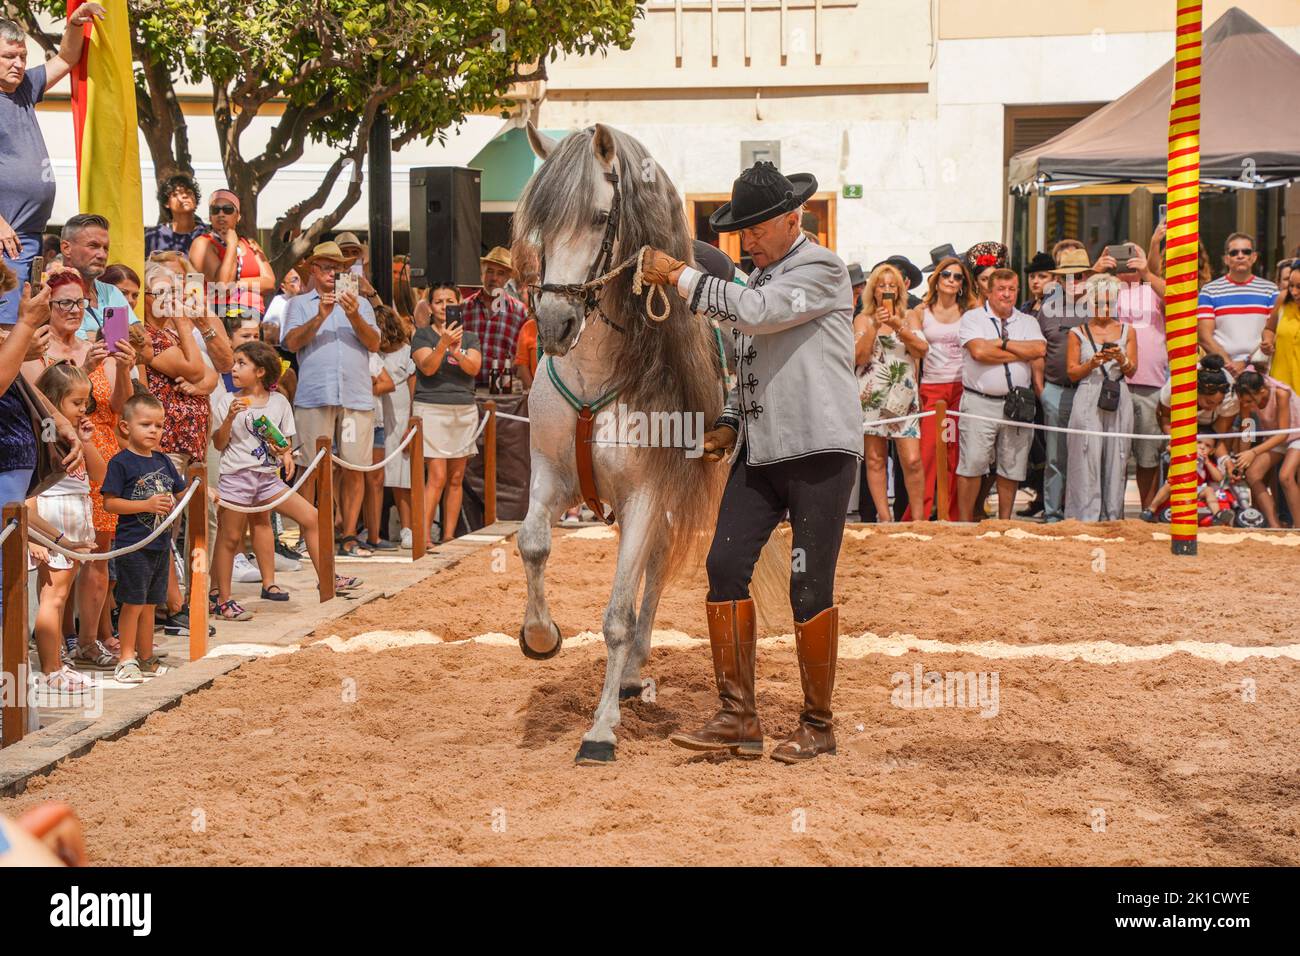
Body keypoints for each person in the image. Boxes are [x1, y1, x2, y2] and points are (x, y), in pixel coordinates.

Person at [640, 160, 861, 764]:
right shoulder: (758, 282)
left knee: (808, 586)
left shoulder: (821, 267)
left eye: (757, 228)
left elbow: (759, 316)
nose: (748, 240)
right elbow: (746, 369)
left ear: (795, 218)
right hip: (762, 449)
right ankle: (739, 715)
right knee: (725, 564)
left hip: (819, 447)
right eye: (742, 231)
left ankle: (818, 723)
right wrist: (730, 424)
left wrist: (682, 277)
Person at [22, 271, 134, 664]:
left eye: (79, 303)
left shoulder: (93, 344)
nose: (72, 310)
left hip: (97, 452)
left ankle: (90, 639)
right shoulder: (34, 352)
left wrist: (121, 367)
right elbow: (45, 418)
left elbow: (119, 406)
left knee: (97, 556)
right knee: (58, 564)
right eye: (63, 303)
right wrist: (85, 370)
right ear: (46, 307)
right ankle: (61, 644)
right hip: (59, 465)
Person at [0, 7, 103, 326]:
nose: (18, 64)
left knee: (20, 323)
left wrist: (73, 23)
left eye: (22, 56)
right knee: (5, 325)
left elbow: (67, 58)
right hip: (6, 234)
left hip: (27, 233)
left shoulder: (25, 88)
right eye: (8, 56)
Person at [281, 241, 380, 558]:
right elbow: (291, 343)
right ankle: (303, 535)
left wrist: (353, 316)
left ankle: (349, 535)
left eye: (339, 268)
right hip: (315, 395)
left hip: (354, 397)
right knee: (308, 468)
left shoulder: (361, 305)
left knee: (354, 466)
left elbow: (375, 343)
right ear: (313, 269)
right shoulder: (299, 304)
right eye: (326, 267)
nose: (333, 273)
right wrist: (321, 316)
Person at [28, 362, 104, 691]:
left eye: (85, 402)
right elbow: (29, 491)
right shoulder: (43, 436)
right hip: (53, 518)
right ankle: (51, 668)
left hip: (76, 514)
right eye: (76, 402)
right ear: (55, 401)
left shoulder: (72, 436)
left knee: (60, 596)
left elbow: (101, 476)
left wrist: (85, 440)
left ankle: (57, 661)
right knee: (53, 596)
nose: (84, 408)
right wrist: (36, 537)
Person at [101, 393, 185, 684]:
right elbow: (110, 503)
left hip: (161, 544)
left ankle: (146, 658)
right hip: (133, 544)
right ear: (125, 427)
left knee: (151, 603)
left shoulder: (162, 460)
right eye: (146, 424)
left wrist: (205, 492)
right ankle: (126, 658)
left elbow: (181, 492)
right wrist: (145, 506)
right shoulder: (121, 462)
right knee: (133, 603)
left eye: (159, 425)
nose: (154, 430)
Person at [956, 269, 1046, 521]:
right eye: (1001, 289)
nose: (1007, 294)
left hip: (1018, 403)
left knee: (1012, 466)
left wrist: (1001, 344)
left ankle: (1004, 522)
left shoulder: (1028, 321)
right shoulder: (973, 318)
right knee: (973, 463)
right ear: (989, 291)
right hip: (979, 401)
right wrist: (1021, 351)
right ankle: (964, 524)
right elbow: (979, 352)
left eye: (1012, 289)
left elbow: (1038, 349)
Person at [1093, 235, 1168, 512]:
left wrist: (1147, 271)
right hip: (1114, 380)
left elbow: (1179, 299)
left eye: (1132, 255)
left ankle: (1148, 512)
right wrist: (1096, 268)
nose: (1127, 261)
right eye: (1121, 256)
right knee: (1114, 454)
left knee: (1148, 455)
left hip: (1151, 382)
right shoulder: (1106, 288)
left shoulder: (1153, 287)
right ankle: (1113, 512)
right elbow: (1073, 299)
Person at [855, 262, 927, 521]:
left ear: (900, 290)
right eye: (881, 285)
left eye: (892, 286)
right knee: (875, 460)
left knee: (912, 460)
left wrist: (898, 326)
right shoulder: (862, 319)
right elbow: (859, 358)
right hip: (871, 395)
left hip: (903, 397)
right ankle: (885, 519)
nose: (886, 290)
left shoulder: (910, 317)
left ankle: (918, 519)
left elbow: (921, 349)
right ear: (873, 290)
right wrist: (874, 327)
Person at [411, 287, 482, 547]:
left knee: (455, 477)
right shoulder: (422, 335)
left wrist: (455, 351)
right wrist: (442, 344)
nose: (443, 306)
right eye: (438, 302)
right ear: (429, 307)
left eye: (449, 301)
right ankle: (424, 536)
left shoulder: (470, 337)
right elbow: (427, 368)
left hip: (463, 408)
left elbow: (474, 367)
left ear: (458, 304)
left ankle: (449, 535)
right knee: (437, 475)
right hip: (431, 408)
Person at [1064, 273, 1137, 522]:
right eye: (1098, 303)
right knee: (1085, 455)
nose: (1103, 308)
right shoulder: (1077, 332)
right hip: (1088, 391)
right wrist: (1091, 363)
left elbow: (1133, 369)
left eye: (1108, 303)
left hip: (1117, 392)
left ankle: (1113, 517)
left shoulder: (1128, 330)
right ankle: (1083, 517)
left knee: (1118, 455)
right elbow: (1072, 373)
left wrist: (1121, 358)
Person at [913, 256, 976, 521]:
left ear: (963, 284)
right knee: (927, 455)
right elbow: (915, 353)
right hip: (932, 387)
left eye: (958, 276)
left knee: (954, 454)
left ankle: (951, 515)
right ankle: (922, 514)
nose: (951, 280)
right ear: (936, 279)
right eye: (946, 275)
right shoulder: (920, 311)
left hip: (961, 386)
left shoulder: (971, 310)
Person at [1036, 247, 1092, 522]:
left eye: (1079, 275)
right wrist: (1041, 390)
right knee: (1056, 457)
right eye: (1067, 277)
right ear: (1059, 280)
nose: (1073, 281)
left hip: (1088, 390)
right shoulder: (1046, 310)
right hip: (1056, 390)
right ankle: (1052, 513)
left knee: (1085, 455)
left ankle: (1080, 511)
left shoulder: (1098, 306)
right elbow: (1038, 352)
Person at [1198, 232, 1278, 376]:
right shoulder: (1209, 290)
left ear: (1254, 257)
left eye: (1246, 252)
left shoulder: (1270, 290)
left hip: (1261, 370)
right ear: (1226, 259)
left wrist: (1247, 363)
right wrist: (1229, 365)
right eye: (1234, 252)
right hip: (1222, 371)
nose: (1240, 256)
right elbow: (1204, 336)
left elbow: (1274, 331)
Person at [1227, 369, 1300, 528]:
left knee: (1285, 476)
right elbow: (1248, 429)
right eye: (1243, 402)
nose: (1246, 405)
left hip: (1295, 433)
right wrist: (1242, 461)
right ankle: (1275, 525)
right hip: (1277, 437)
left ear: (1262, 391)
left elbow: (1283, 433)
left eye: (1249, 402)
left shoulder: (1281, 393)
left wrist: (1252, 452)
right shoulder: (1246, 397)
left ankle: (1298, 526)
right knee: (1252, 474)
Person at [1015, 251, 1057, 518]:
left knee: (1051, 444)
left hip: (1053, 380)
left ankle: (1051, 500)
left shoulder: (1062, 307)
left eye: (1042, 276)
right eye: (1032, 276)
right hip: (1027, 384)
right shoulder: (1025, 308)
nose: (1036, 281)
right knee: (1034, 444)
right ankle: (1040, 496)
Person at [188, 190, 275, 315]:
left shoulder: (249, 244)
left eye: (228, 209)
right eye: (215, 210)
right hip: (221, 315)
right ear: (210, 216)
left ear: (238, 216)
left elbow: (270, 283)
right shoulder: (203, 243)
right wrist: (232, 245)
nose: (221, 214)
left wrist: (238, 284)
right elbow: (222, 286)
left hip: (253, 316)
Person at [372, 307, 415, 549]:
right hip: (379, 416)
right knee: (376, 475)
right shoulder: (373, 355)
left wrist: (411, 423)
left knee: (401, 476)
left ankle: (407, 528)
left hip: (400, 417)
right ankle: (374, 528)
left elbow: (413, 391)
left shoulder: (407, 354)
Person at [460, 246, 527, 388]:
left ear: (508, 279)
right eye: (490, 271)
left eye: (500, 273)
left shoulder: (519, 312)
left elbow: (522, 357)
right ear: (482, 273)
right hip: (467, 390)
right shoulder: (464, 308)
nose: (494, 278)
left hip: (503, 391)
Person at [55, 214, 131, 339]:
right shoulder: (51, 292)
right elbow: (71, 349)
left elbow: (144, 346)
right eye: (93, 246)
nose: (102, 255)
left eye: (106, 248)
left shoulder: (111, 291)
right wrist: (116, 337)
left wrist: (93, 337)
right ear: (66, 248)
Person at [1144, 438, 1231, 524]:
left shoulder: (1206, 463)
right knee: (1167, 486)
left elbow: (1219, 478)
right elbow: (1169, 448)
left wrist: (1207, 462)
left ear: (1212, 451)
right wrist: (1189, 452)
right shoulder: (1183, 454)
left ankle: (1217, 514)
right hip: (1177, 486)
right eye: (1199, 442)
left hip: (1195, 489)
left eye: (1207, 446)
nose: (1202, 447)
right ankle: (1151, 510)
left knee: (1209, 490)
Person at [145, 173, 207, 257]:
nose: (184, 196)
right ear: (167, 203)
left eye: (189, 192)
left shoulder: (208, 234)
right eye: (176, 194)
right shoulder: (153, 236)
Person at [1262, 266, 1300, 393]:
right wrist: (1267, 342)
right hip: (1281, 387)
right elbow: (1269, 329)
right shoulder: (1283, 299)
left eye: (1299, 287)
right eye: (1291, 285)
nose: (1294, 292)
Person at [262, 268, 302, 333]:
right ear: (283, 287)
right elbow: (268, 330)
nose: (299, 284)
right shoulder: (277, 302)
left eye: (299, 279)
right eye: (294, 280)